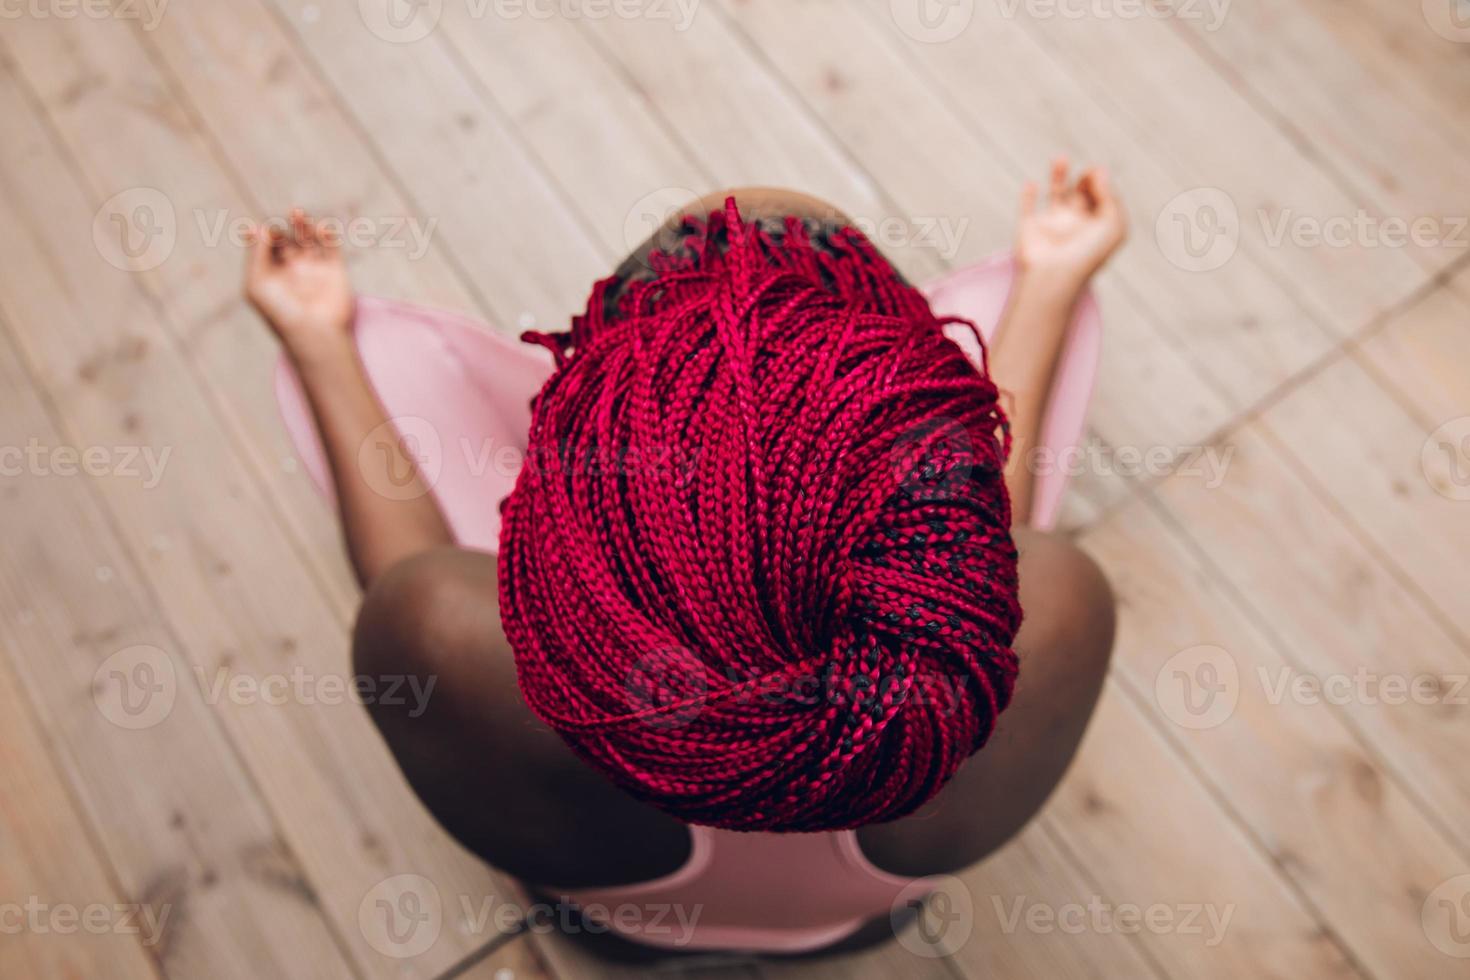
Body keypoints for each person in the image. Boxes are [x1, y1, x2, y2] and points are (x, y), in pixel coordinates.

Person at [244, 158, 1126, 956]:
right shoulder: (1056, 612)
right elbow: (964, 524)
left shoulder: (439, 640)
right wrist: (1045, 286)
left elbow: (406, 575)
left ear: (549, 559)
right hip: (854, 923)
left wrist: (321, 340)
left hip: (614, 923)